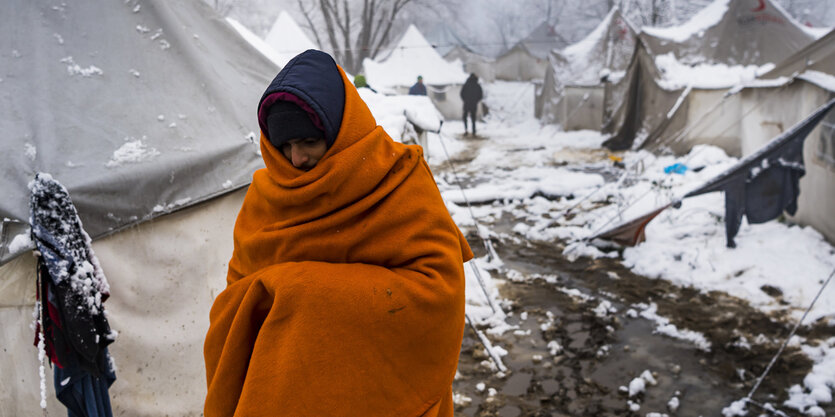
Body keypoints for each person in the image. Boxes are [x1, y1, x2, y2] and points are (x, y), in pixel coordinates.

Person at [203, 50, 473, 416]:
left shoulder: (396, 180)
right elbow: (235, 302)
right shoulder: (267, 198)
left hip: (389, 395)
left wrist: (301, 292)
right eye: (284, 146)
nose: (296, 159)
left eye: (308, 142)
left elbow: (439, 290)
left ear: (341, 129)